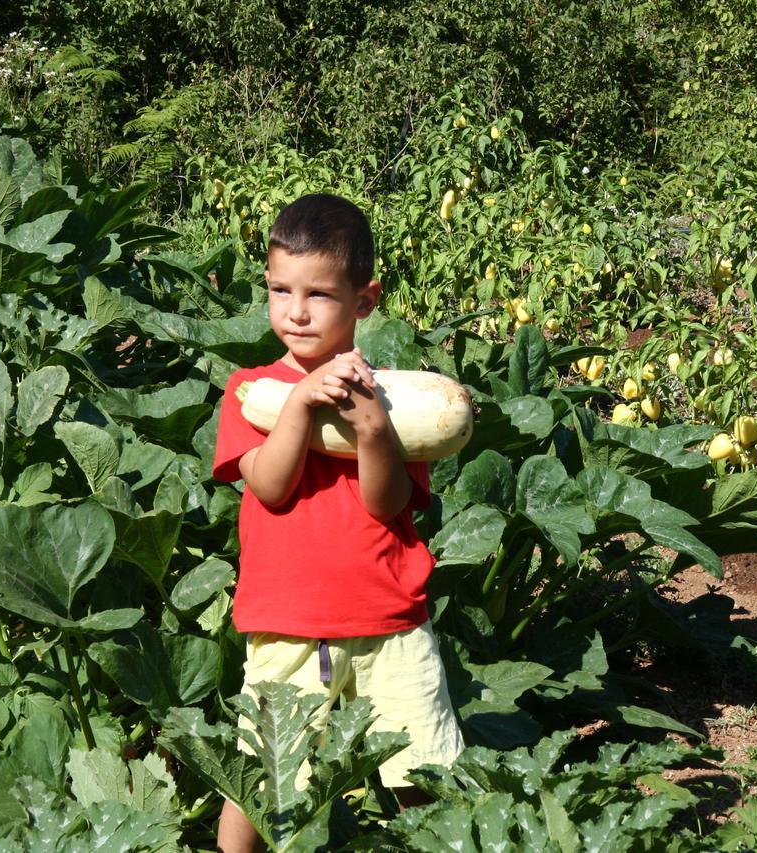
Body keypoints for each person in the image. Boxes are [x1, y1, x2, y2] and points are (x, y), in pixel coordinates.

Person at [211, 193, 465, 852]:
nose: (295, 311)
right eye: (279, 289)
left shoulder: (397, 403)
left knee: (422, 768)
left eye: (319, 294)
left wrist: (375, 428)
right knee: (264, 774)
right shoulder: (252, 390)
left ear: (364, 299)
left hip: (388, 615)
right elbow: (268, 484)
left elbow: (386, 505)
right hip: (289, 621)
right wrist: (299, 403)